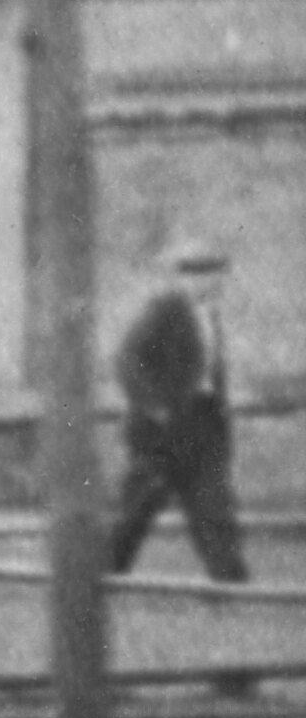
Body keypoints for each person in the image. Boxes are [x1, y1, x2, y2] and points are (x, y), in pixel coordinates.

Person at [111, 238, 249, 583]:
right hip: (161, 433)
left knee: (215, 509)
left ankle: (232, 586)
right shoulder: (165, 311)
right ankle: (102, 579)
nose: (210, 281)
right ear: (184, 278)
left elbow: (213, 377)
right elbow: (127, 360)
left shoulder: (211, 316)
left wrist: (219, 425)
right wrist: (152, 405)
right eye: (199, 273)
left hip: (203, 428)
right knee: (136, 511)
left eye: (215, 273)